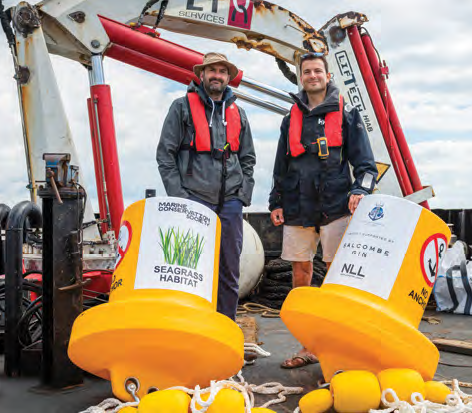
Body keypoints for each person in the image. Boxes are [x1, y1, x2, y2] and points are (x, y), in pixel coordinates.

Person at [268, 53, 378, 368]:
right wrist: (275, 201)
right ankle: (308, 345)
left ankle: (338, 345)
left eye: (318, 71)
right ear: (300, 77)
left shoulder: (348, 114)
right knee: (300, 274)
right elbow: (280, 166)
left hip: (336, 207)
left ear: (327, 76)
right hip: (298, 208)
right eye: (307, 71)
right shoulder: (290, 119)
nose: (313, 75)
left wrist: (360, 190)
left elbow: (367, 167)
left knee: (336, 276)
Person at [156, 52, 256, 320]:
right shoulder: (181, 108)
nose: (217, 75)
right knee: (190, 267)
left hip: (231, 202)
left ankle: (225, 325)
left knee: (229, 269)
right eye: (212, 70)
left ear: (228, 77)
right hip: (194, 199)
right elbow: (165, 155)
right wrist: (180, 197)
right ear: (201, 75)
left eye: (223, 71)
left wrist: (242, 196)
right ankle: (191, 325)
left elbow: (248, 159)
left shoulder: (239, 113)